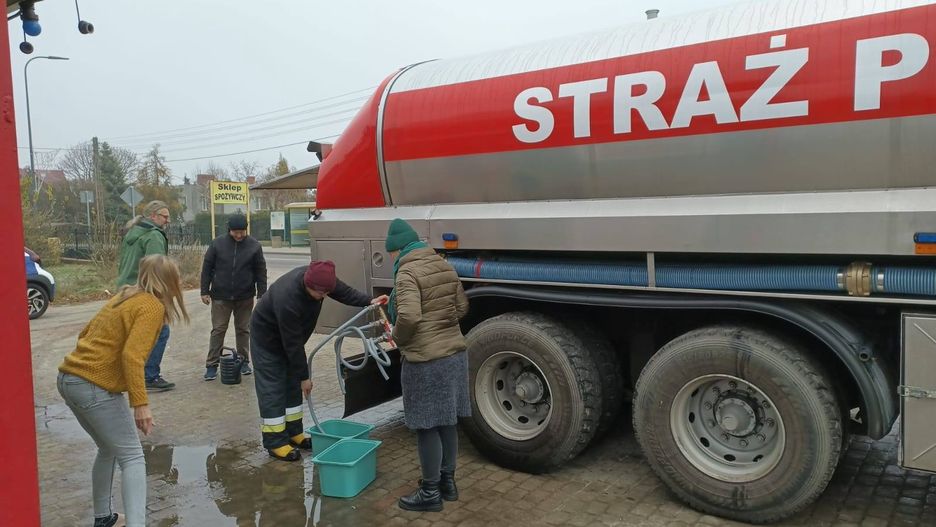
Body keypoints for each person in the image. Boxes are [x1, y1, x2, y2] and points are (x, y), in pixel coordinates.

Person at [57, 255, 189, 527]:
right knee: (132, 457)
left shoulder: (124, 297)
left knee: (107, 449)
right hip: (93, 386)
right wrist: (140, 404)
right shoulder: (151, 305)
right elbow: (132, 357)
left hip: (69, 379)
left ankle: (103, 517)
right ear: (168, 282)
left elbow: (85, 334)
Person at [250, 260, 387, 461]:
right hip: (268, 342)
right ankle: (275, 442)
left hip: (290, 341)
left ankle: (294, 434)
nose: (323, 297)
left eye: (325, 293)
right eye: (319, 294)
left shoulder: (322, 280)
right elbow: (293, 345)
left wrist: (370, 301)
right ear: (307, 284)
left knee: (291, 384)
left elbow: (345, 293)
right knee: (273, 388)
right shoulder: (287, 298)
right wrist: (304, 377)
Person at [384, 218, 470, 512]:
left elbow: (408, 317)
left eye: (391, 254)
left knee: (426, 426)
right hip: (454, 356)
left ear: (398, 250)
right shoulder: (443, 264)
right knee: (447, 421)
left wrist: (396, 338)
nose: (392, 259)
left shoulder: (407, 271)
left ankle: (430, 493)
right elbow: (461, 307)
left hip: (426, 360)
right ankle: (448, 483)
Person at [116, 200, 175, 392]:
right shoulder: (153, 236)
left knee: (133, 333)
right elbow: (155, 269)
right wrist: (160, 298)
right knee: (161, 331)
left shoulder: (131, 233)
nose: (168, 220)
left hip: (125, 289)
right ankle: (149, 376)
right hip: (144, 292)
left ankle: (128, 374)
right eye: (164, 216)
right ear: (153, 216)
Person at [200, 214, 267, 381]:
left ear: (246, 229)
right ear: (229, 230)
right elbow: (207, 268)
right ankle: (211, 365)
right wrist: (204, 291)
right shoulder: (217, 244)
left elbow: (261, 271)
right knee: (218, 330)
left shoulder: (254, 246)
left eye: (242, 232)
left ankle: (243, 361)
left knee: (244, 330)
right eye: (235, 232)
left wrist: (262, 295)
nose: (239, 235)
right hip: (220, 296)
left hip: (245, 296)